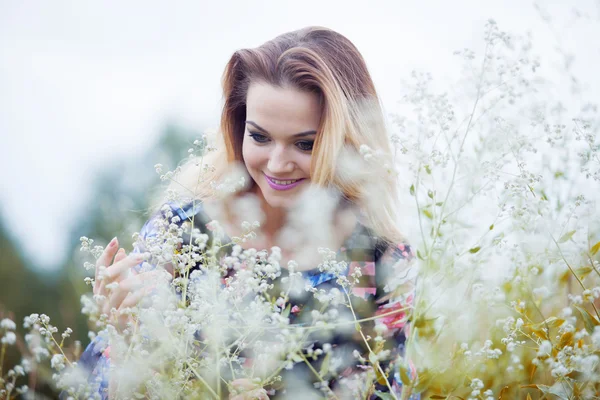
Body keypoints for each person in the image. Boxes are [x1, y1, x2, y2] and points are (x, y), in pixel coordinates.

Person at [75, 26, 419, 399]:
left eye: (305, 144)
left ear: (347, 142)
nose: (276, 164)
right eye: (259, 136)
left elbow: (387, 390)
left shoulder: (381, 260)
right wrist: (125, 336)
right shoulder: (182, 234)